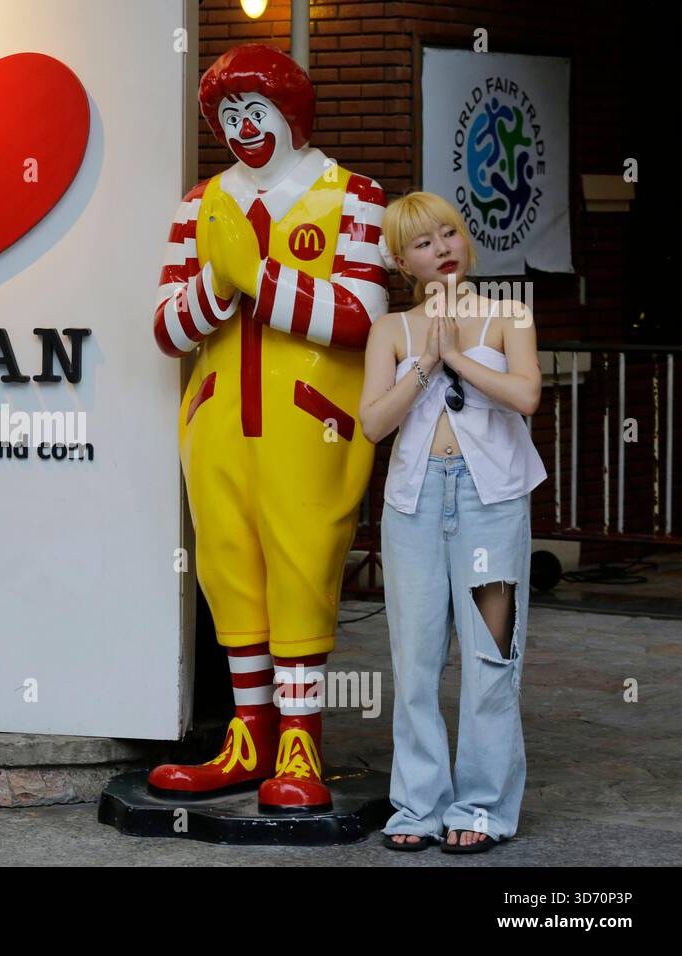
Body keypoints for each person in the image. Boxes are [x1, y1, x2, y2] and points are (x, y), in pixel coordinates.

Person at [147, 43, 388, 810]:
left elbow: (360, 315)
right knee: (228, 571)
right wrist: (219, 288)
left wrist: (255, 276)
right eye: (228, 115)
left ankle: (300, 742)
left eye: (255, 111)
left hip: (309, 425)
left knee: (300, 568)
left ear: (291, 112)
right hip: (218, 420)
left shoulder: (355, 196)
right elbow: (166, 329)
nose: (243, 128)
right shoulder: (199, 205)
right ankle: (249, 734)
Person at [357, 191, 546, 853]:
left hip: (491, 505)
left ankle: (483, 807)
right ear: (402, 261)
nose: (442, 249)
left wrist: (459, 357)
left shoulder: (508, 315)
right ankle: (418, 806)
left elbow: (526, 394)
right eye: (423, 243)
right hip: (413, 506)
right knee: (415, 661)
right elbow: (372, 423)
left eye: (449, 234)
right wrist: (427, 362)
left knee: (492, 654)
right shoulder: (390, 331)